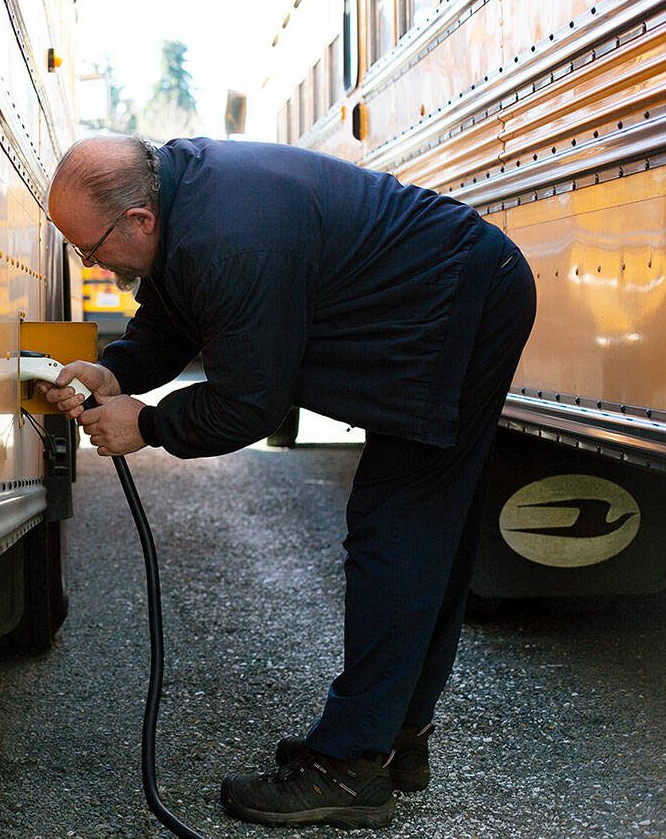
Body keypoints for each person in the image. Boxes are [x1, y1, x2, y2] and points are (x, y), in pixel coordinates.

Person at [37, 134, 536, 829]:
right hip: (448, 291)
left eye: (90, 250)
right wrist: (114, 372)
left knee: (402, 532)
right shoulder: (183, 199)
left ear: (140, 220)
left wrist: (146, 427)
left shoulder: (230, 241)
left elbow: (249, 403)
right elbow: (179, 310)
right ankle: (398, 735)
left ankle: (351, 766)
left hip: (459, 302)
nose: (93, 264)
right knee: (423, 532)